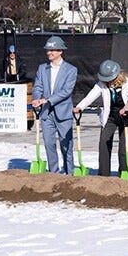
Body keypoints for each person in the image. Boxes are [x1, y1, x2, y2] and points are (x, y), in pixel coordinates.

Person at [73, 60, 128, 177]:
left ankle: (125, 172)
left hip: (125, 117)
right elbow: (91, 95)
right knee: (104, 142)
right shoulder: (102, 84)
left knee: (124, 146)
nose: (107, 81)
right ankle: (103, 174)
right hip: (110, 116)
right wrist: (80, 107)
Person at [31, 36, 78, 174]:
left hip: (63, 112)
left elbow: (66, 91)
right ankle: (54, 173)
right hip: (46, 113)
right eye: (48, 50)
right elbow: (37, 86)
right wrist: (36, 99)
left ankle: (69, 173)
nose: (49, 53)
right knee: (49, 144)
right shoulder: (42, 68)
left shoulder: (71, 70)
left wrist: (47, 100)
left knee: (66, 144)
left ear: (60, 51)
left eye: (52, 50)